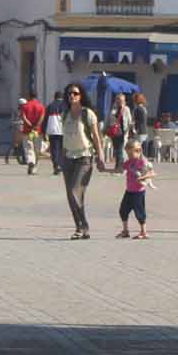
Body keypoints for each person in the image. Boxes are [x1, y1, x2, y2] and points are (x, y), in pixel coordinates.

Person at [60, 81, 103, 239]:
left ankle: (82, 226)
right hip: (68, 158)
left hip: (84, 157)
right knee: (73, 195)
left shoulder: (88, 114)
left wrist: (100, 157)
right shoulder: (65, 114)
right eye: (70, 93)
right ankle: (81, 227)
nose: (72, 96)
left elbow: (96, 137)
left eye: (75, 93)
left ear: (81, 95)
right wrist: (61, 157)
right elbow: (65, 137)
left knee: (75, 191)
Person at [117, 136, 155, 239]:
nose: (129, 156)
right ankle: (125, 231)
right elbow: (119, 170)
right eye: (127, 154)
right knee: (123, 210)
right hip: (129, 191)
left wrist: (142, 177)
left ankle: (144, 232)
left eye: (130, 153)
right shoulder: (129, 162)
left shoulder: (142, 162)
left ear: (138, 151)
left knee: (139, 212)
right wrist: (104, 169)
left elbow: (152, 174)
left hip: (138, 192)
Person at [16, 94, 45, 172]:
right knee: (37, 149)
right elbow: (42, 117)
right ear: (36, 97)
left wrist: (30, 125)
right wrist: (37, 125)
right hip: (38, 131)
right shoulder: (41, 106)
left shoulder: (25, 106)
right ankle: (35, 166)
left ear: (29, 97)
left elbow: (24, 117)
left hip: (27, 131)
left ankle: (30, 161)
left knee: (28, 148)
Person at [44, 90, 68, 173]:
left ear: (55, 97)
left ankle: (56, 164)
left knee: (54, 149)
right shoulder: (66, 106)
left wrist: (44, 132)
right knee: (62, 148)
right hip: (63, 131)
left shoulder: (50, 106)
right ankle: (61, 164)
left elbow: (45, 120)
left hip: (52, 130)